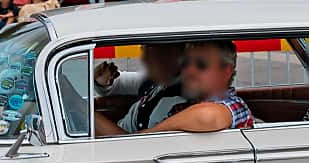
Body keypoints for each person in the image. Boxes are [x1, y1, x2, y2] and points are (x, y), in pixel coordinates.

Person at [94, 40, 251, 135]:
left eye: (201, 65)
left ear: (226, 71)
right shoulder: (179, 106)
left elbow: (208, 116)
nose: (190, 70)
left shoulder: (232, 104)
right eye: (186, 63)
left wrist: (139, 138)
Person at [111, 42, 189, 132]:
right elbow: (122, 83)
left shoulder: (174, 103)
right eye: (143, 48)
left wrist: (93, 115)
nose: (144, 57)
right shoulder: (159, 81)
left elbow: (131, 143)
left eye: (149, 48)